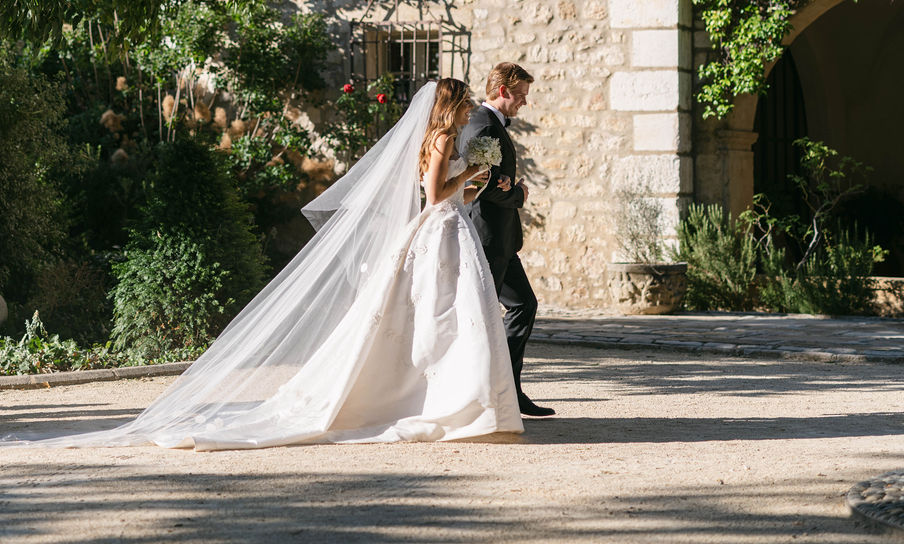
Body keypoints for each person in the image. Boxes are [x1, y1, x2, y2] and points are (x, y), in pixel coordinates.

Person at [5, 80, 523, 450]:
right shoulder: (440, 139)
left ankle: (463, 400)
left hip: (448, 231)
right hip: (437, 232)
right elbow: (433, 196)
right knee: (436, 315)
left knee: (449, 317)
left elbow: (449, 195)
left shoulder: (444, 139)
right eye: (464, 104)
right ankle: (449, 401)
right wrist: (470, 174)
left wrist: (473, 181)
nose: (469, 110)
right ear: (450, 107)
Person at [462, 63, 555, 418]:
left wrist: (506, 185)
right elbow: (480, 186)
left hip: (501, 238)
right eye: (520, 95)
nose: (524, 103)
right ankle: (497, 392)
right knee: (487, 316)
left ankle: (508, 389)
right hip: (487, 237)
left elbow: (491, 179)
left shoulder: (490, 124)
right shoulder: (482, 125)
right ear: (502, 91)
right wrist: (517, 194)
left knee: (523, 305)